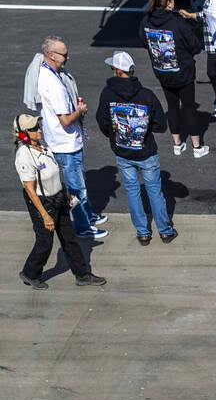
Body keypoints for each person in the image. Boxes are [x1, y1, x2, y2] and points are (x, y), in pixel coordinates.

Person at [94, 50, 178, 244]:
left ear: (117, 70)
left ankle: (142, 232)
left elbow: (102, 121)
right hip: (146, 152)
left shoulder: (107, 94)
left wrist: (115, 136)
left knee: (133, 190)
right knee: (154, 191)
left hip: (122, 152)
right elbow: (160, 125)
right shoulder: (146, 95)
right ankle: (165, 230)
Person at [13, 114, 105, 289]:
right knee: (44, 242)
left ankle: (82, 275)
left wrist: (64, 193)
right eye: (33, 128)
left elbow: (52, 174)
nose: (39, 130)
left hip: (58, 198)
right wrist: (45, 216)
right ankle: (30, 273)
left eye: (38, 126)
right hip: (43, 204)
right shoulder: (25, 155)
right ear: (23, 134)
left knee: (69, 239)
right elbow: (30, 190)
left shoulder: (41, 147)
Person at [35, 35, 107, 239]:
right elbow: (65, 120)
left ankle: (88, 215)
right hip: (65, 143)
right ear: (51, 55)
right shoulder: (53, 84)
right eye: (64, 54)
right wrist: (80, 110)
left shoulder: (49, 72)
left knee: (79, 183)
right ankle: (83, 226)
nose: (68, 57)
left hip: (62, 142)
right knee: (76, 188)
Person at [140, 0, 208, 158]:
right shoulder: (177, 22)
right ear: (169, 3)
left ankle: (177, 144)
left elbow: (143, 40)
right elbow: (194, 45)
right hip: (183, 72)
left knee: (172, 107)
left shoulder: (146, 22)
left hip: (162, 71)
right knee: (189, 107)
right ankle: (197, 146)